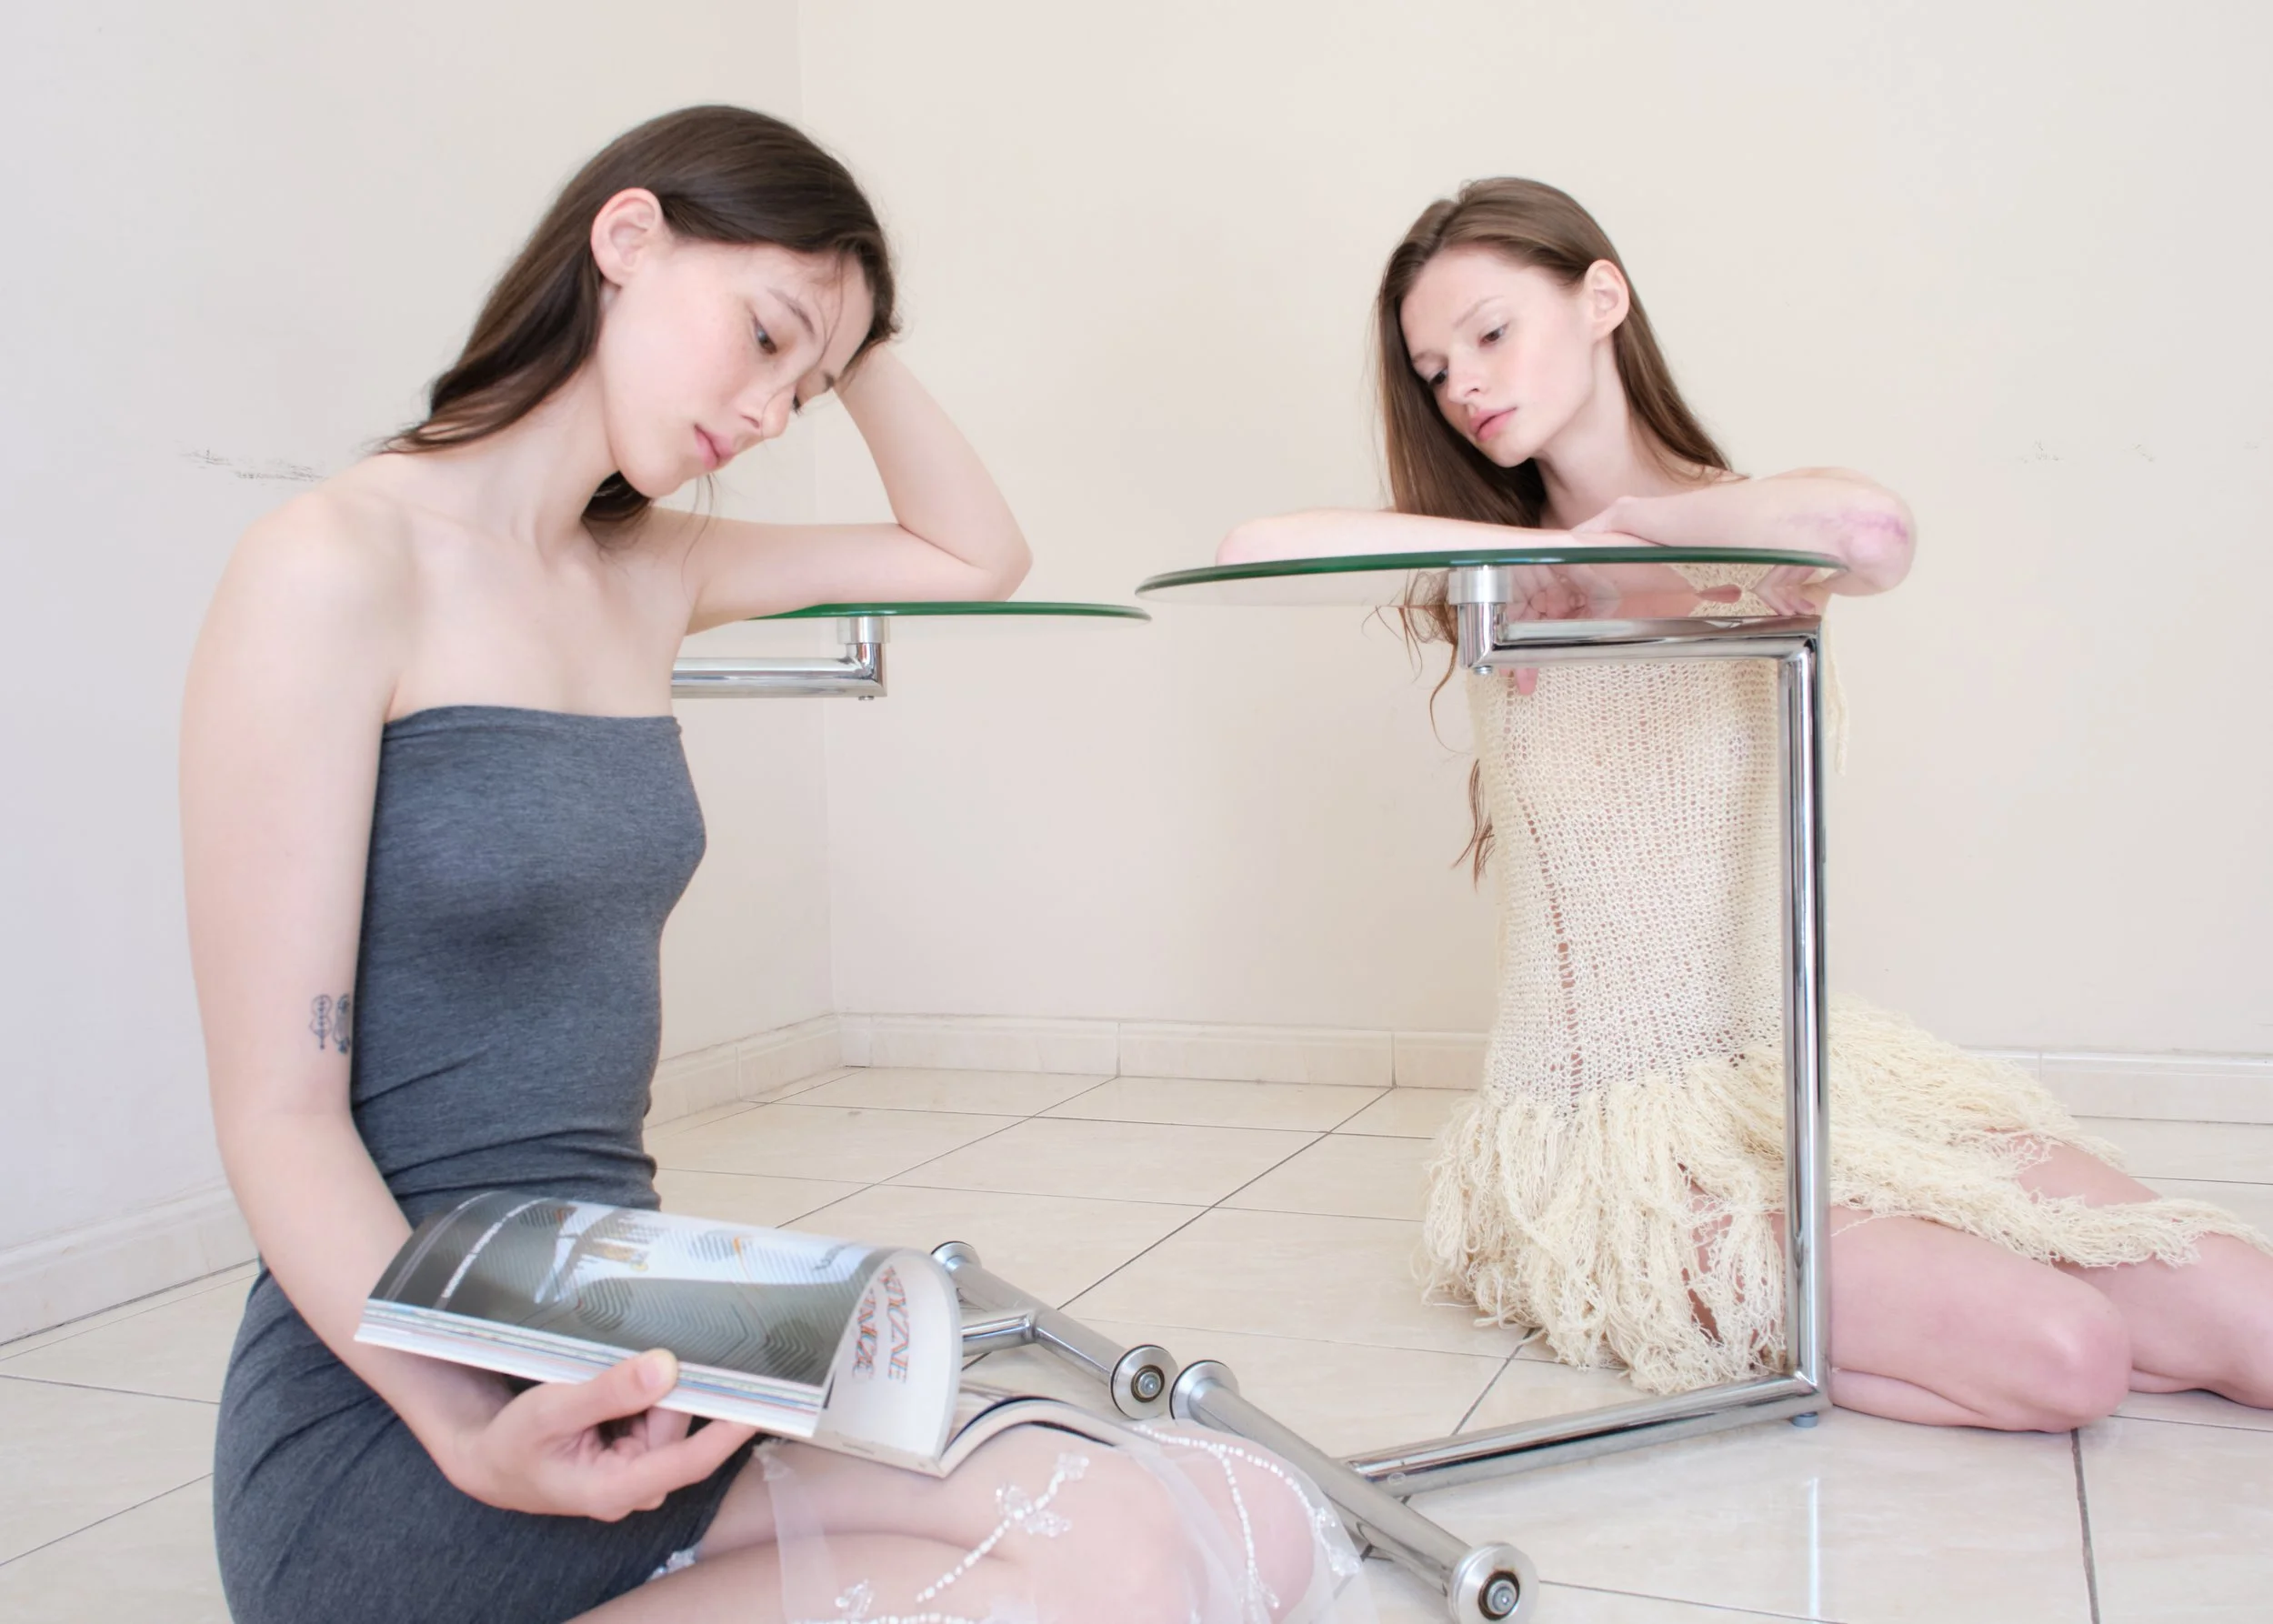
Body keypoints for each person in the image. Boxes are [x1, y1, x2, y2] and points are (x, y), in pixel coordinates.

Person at [185, 105, 1368, 1624]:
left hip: (619, 1325)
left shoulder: (648, 568)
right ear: (626, 239)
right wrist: (471, 1425)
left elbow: (972, 552)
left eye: (800, 389)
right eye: (759, 337)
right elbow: (278, 1114)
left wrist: (849, 329)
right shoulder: (329, 568)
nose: (766, 412)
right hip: (401, 1399)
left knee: (1234, 1515)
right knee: (1106, 1571)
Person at [1218, 177, 2273, 1432]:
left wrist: (1636, 525)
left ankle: (1926, 1271)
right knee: (2070, 1357)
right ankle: (1898, 1297)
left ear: (1602, 297)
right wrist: (1556, 555)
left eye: (1492, 333)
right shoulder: (1494, 565)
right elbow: (1252, 547)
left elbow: (1870, 530)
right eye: (1437, 369)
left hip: (1791, 1071)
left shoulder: (1740, 522)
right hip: (1607, 1129)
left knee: (2249, 1312)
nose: (1466, 388)